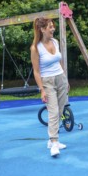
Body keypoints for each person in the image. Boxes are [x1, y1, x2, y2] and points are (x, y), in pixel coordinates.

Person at [30, 17, 69, 157]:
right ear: (42, 29)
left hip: (60, 79)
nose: (53, 29)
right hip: (47, 82)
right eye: (50, 27)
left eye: (53, 26)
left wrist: (65, 80)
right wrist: (41, 90)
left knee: (60, 109)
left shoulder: (55, 42)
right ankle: (54, 142)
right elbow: (36, 71)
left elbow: (59, 62)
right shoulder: (36, 48)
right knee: (53, 111)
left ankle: (52, 140)